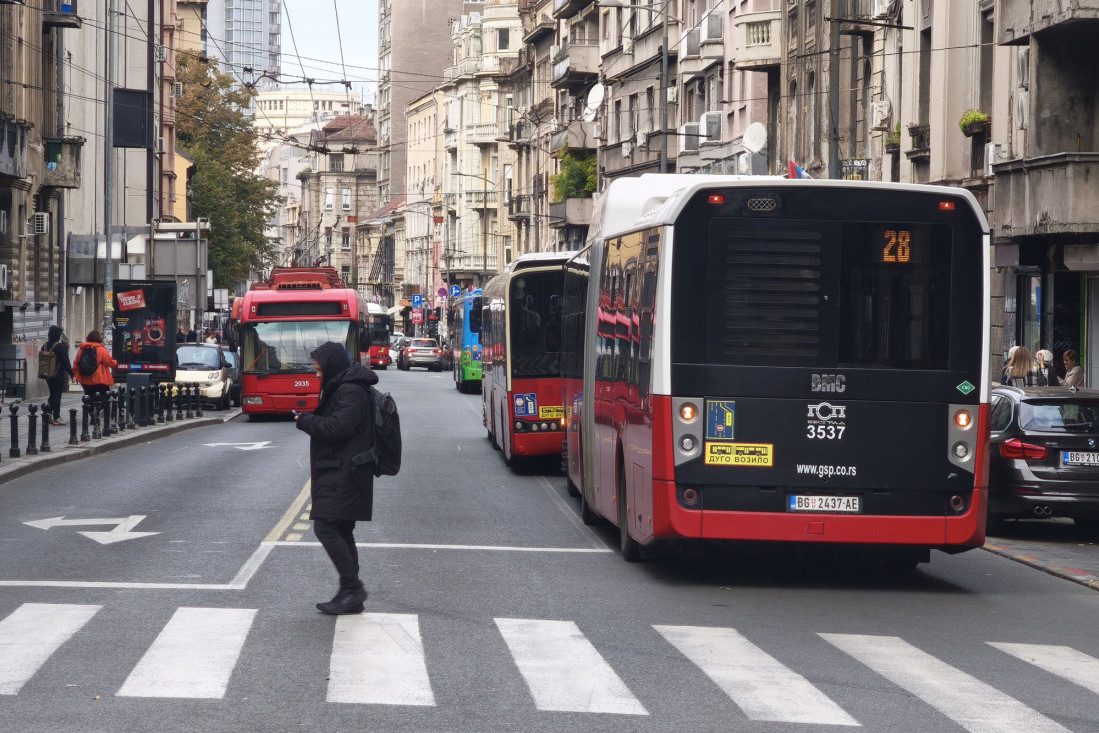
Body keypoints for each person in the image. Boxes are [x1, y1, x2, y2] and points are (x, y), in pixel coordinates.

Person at [294, 341, 378, 615]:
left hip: (345, 471)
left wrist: (305, 421)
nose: (317, 375)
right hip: (341, 468)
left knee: (326, 527)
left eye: (319, 370)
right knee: (341, 528)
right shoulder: (346, 387)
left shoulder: (350, 390)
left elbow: (339, 427)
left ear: (330, 366)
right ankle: (349, 593)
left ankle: (352, 588)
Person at [41, 325, 75, 425]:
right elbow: (66, 362)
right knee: (57, 395)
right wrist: (72, 374)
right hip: (58, 374)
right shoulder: (60, 347)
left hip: (47, 374)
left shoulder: (45, 345)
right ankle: (57, 417)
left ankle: (47, 413)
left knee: (52, 393)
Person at [72, 330, 117, 401]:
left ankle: (90, 411)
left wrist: (75, 375)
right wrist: (116, 363)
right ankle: (100, 410)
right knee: (104, 398)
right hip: (99, 379)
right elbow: (109, 362)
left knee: (88, 399)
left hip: (85, 379)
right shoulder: (101, 349)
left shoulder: (82, 349)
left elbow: (76, 363)